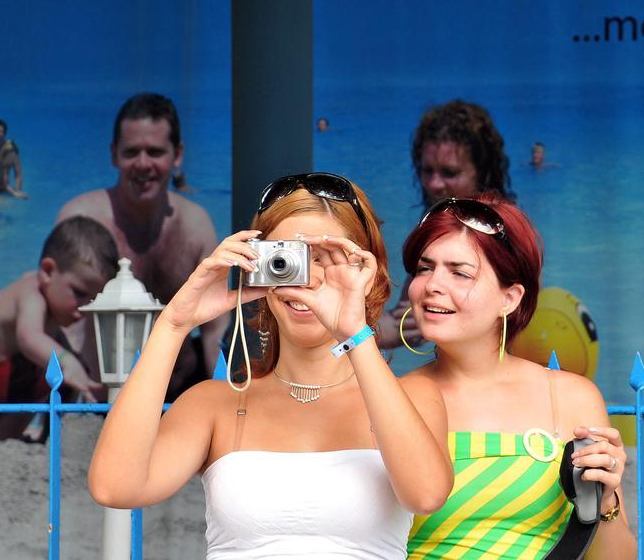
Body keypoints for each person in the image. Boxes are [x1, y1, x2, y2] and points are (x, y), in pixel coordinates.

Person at [88, 174, 452, 557]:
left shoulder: (415, 397)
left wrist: (354, 331)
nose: (306, 278)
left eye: (325, 259)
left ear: (368, 271)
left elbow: (425, 493)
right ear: (255, 264)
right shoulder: (214, 405)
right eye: (286, 259)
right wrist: (174, 324)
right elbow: (115, 487)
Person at [402, 196, 637, 559]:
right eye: (424, 268)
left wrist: (606, 499)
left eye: (459, 272)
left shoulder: (570, 398)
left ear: (509, 298)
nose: (432, 284)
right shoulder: (392, 399)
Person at [56, 93, 219, 399]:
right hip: (102, 398)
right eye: (132, 152)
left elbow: (215, 334)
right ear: (114, 154)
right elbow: (56, 320)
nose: (143, 164)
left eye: (155, 152)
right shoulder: (81, 220)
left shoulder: (196, 228)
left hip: (178, 395)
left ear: (177, 155)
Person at [0, 217, 118, 438]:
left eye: (93, 301)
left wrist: (78, 369)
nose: (84, 309)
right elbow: (28, 339)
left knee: (69, 367)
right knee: (48, 366)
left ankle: (50, 437)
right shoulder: (31, 294)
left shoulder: (50, 307)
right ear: (48, 271)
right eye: (80, 293)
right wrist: (68, 362)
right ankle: (4, 441)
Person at [380, 100, 514, 350]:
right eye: (427, 170)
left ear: (481, 172)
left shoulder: (508, 235)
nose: (434, 184)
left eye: (449, 172)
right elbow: (406, 323)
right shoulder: (435, 230)